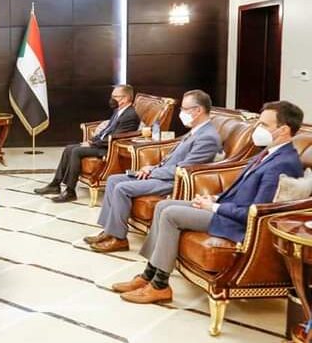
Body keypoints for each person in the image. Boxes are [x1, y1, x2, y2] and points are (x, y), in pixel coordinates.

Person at [113, 101, 304, 304]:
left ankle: (160, 286)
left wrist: (214, 207)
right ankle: (148, 275)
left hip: (236, 222)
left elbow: (257, 211)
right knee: (162, 206)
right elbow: (242, 191)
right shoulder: (268, 153)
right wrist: (214, 198)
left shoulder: (283, 163)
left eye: (264, 124)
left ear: (284, 130)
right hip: (226, 208)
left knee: (170, 214)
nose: (257, 128)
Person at [86, 89, 222, 253]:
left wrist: (153, 173)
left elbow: (185, 169)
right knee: (114, 180)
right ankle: (109, 231)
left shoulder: (207, 137)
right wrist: (152, 167)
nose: (181, 113)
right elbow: (172, 159)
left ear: (198, 110)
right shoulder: (196, 130)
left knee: (122, 188)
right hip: (162, 174)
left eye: (184, 109)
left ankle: (118, 239)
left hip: (172, 182)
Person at [34, 84, 140, 203]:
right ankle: (55, 185)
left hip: (110, 149)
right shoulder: (118, 110)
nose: (112, 99)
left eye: (115, 96)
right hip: (102, 144)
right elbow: (107, 130)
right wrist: (92, 140)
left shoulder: (130, 115)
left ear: (125, 98)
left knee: (76, 151)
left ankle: (70, 191)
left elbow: (116, 137)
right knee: (69, 148)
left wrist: (92, 145)